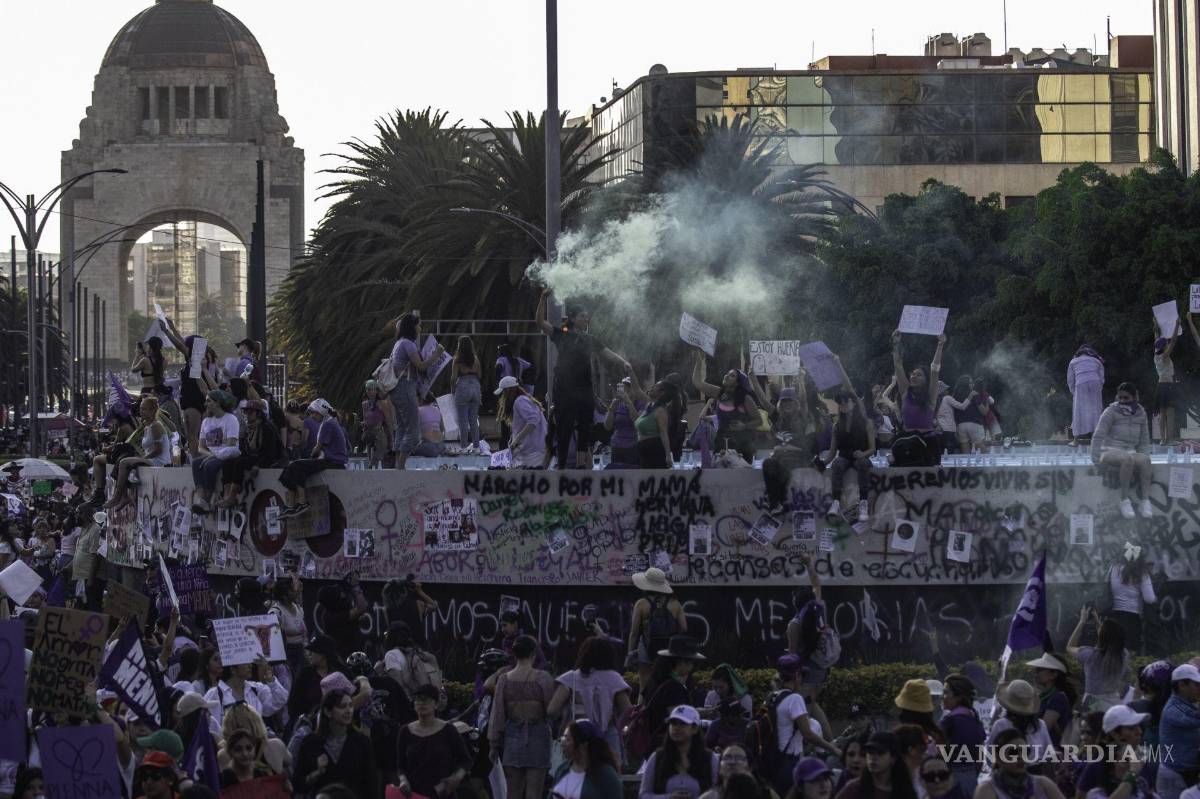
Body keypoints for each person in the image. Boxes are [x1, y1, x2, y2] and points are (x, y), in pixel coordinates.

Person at [535, 293, 631, 468]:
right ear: (572, 318)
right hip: (565, 390)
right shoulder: (561, 334)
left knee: (585, 429)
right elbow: (540, 322)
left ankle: (581, 468)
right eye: (582, 316)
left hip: (585, 389)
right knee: (564, 429)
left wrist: (623, 362)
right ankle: (561, 467)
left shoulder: (589, 339)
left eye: (587, 316)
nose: (586, 319)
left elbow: (606, 352)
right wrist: (542, 299)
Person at [548, 636, 632, 768]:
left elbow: (552, 710)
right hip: (608, 736)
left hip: (577, 736)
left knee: (576, 777)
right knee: (609, 777)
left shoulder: (571, 678)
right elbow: (628, 712)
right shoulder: (615, 679)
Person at [489, 635, 555, 799]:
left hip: (512, 736)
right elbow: (551, 710)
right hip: (538, 734)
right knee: (534, 792)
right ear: (534, 653)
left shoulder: (504, 679)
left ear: (514, 653)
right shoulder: (543, 678)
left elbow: (498, 714)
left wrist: (493, 744)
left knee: (513, 792)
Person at [774, 654, 840, 794]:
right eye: (802, 675)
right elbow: (808, 734)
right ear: (797, 675)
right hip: (790, 764)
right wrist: (833, 748)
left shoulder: (773, 697)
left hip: (775, 763)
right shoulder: (795, 698)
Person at [296, 689, 379, 798]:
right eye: (342, 706)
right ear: (328, 712)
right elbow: (298, 785)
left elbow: (371, 783)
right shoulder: (311, 743)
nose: (348, 710)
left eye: (350, 706)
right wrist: (317, 773)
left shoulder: (361, 742)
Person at [394, 684, 472, 799]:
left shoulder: (448, 730)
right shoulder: (405, 731)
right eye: (418, 700)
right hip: (415, 794)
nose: (421, 703)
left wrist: (456, 777)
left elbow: (466, 760)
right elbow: (401, 766)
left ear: (435, 704)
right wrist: (403, 781)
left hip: (442, 793)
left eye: (426, 699)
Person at [389, 313, 445, 470]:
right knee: (413, 433)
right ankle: (400, 466)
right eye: (419, 325)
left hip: (396, 390)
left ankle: (397, 465)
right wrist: (437, 354)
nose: (421, 328)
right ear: (412, 326)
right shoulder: (408, 344)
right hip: (406, 388)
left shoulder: (399, 343)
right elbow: (421, 366)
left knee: (401, 428)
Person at [786, 556, 834, 739]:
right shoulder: (818, 610)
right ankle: (831, 741)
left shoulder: (794, 624)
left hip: (804, 673)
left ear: (796, 603)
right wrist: (809, 564)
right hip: (821, 669)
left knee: (802, 715)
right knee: (812, 705)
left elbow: (792, 655)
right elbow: (817, 585)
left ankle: (817, 748)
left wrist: (790, 678)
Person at [1090, 383, 1153, 520]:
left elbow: (1144, 439)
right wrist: (1096, 460)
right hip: (1109, 450)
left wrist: (1143, 456)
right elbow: (1098, 435)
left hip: (1130, 451)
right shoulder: (1111, 411)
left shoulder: (1141, 413)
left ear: (1135, 397)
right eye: (1120, 398)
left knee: (1145, 460)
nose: (1123, 401)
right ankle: (1124, 500)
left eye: (1127, 397)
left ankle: (1145, 501)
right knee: (1127, 459)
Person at [278, 399, 349, 518]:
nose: (312, 416)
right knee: (289, 468)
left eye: (314, 413)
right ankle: (290, 505)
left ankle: (302, 502)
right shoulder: (330, 422)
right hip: (332, 460)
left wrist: (309, 459)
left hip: (335, 462)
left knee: (297, 466)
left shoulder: (327, 424)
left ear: (321, 412)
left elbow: (317, 449)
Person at [691, 350, 761, 464]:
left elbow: (759, 421)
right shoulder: (719, 392)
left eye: (732, 376)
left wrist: (744, 426)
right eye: (727, 374)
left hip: (741, 445)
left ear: (738, 383)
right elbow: (697, 382)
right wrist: (698, 362)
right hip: (722, 443)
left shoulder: (745, 398)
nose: (727, 376)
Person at [104, 395, 171, 510]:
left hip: (159, 461)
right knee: (122, 458)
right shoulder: (146, 426)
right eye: (140, 408)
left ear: (152, 410)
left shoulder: (156, 426)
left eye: (144, 409)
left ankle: (117, 496)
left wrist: (144, 458)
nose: (141, 411)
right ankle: (124, 496)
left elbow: (158, 450)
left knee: (125, 462)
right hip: (150, 459)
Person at [891, 331, 947, 466]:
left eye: (919, 375)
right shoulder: (905, 392)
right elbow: (898, 365)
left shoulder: (930, 396)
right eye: (913, 374)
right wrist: (896, 343)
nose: (913, 376)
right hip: (906, 442)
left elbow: (934, 369)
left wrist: (940, 344)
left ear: (926, 380)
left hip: (929, 442)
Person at [639, 705, 719, 799]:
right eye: (673, 723)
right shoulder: (657, 758)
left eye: (682, 723)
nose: (676, 728)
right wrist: (668, 798)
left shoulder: (710, 759)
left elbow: (718, 793)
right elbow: (643, 795)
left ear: (695, 729)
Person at [217, 399, 283, 509]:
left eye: (250, 412)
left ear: (258, 413)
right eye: (246, 412)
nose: (247, 415)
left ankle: (232, 497)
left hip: (267, 458)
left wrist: (258, 465)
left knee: (240, 463)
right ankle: (227, 494)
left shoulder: (267, 427)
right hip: (253, 456)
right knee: (228, 462)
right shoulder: (248, 428)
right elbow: (244, 449)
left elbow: (270, 452)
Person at [824, 387, 875, 523]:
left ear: (853, 402)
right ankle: (836, 501)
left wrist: (863, 453)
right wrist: (821, 464)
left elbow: (873, 448)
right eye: (840, 403)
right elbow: (832, 452)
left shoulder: (866, 422)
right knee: (837, 464)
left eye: (845, 402)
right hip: (844, 457)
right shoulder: (836, 425)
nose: (842, 406)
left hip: (861, 456)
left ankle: (863, 502)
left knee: (863, 463)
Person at [643, 636, 706, 744]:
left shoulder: (655, 681)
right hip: (665, 741)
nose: (691, 667)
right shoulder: (673, 688)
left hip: (651, 738)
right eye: (690, 662)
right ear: (681, 662)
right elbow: (678, 717)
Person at [974, 729, 1066, 799]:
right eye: (1013, 752)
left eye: (1026, 751)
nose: (1021, 757)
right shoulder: (987, 790)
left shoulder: (1042, 784)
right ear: (998, 758)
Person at [190, 389, 241, 514]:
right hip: (211, 456)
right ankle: (201, 498)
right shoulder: (206, 421)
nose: (205, 404)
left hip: (226, 455)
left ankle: (207, 501)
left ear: (218, 403)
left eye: (209, 401)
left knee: (209, 466)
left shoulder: (231, 419)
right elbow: (200, 447)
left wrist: (215, 456)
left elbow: (231, 444)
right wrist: (211, 455)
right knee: (196, 463)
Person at [1067, 612, 1130, 712]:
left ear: (1101, 636)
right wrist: (1097, 623)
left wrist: (1081, 622)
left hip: (1092, 702)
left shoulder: (1091, 655)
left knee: (1092, 725)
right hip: (1113, 703)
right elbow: (1108, 640)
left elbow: (1070, 647)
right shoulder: (1124, 654)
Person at [628, 568, 687, 673]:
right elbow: (684, 628)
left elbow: (634, 632)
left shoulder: (641, 604)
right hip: (668, 649)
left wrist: (630, 653)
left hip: (646, 649)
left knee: (644, 684)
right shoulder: (675, 604)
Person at [203, 657, 288, 728]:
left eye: (249, 662)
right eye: (244, 662)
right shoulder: (215, 694)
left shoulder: (256, 689)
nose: (250, 665)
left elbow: (280, 700)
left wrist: (271, 679)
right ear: (233, 669)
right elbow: (213, 728)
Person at [986, 681, 1054, 771]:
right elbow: (1049, 753)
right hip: (1035, 773)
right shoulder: (1040, 725)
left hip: (1008, 773)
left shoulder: (1000, 725)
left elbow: (990, 754)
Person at [550, 719, 624, 799]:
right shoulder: (562, 770)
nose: (563, 744)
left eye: (568, 739)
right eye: (563, 739)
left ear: (583, 745)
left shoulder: (606, 775)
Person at [1157, 663, 1200, 799]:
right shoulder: (1173, 709)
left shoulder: (1186, 705)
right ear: (1182, 685)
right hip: (1174, 776)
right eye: (1196, 685)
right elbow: (1195, 720)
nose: (1199, 689)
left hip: (1185, 772)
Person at [834, 731, 918, 799]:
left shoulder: (904, 791)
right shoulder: (855, 788)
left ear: (893, 758)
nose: (873, 758)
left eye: (880, 753)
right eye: (870, 752)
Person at [940, 675, 986, 799]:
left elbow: (941, 756)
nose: (942, 697)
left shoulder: (950, 721)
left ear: (959, 696)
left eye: (946, 692)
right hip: (971, 779)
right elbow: (980, 755)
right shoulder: (973, 717)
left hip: (952, 780)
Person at [1106, 547, 1157, 653]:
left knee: (1114, 650)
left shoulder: (1113, 568)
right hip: (1132, 619)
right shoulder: (1141, 573)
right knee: (1130, 652)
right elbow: (1149, 599)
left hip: (1115, 615)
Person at [1023, 654, 1077, 748]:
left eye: (1039, 670)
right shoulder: (1042, 696)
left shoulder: (1058, 698)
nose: (1035, 673)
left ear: (1054, 675)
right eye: (1036, 670)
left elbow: (1042, 730)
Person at [496, 376, 549, 469]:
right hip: (529, 450)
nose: (502, 397)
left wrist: (516, 440)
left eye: (503, 393)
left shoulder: (520, 401)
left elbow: (532, 422)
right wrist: (513, 438)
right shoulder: (522, 400)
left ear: (508, 391)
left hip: (534, 451)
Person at [631, 376, 679, 469]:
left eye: (655, 386)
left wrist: (668, 455)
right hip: (644, 449)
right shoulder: (650, 404)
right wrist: (630, 371)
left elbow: (663, 433)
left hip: (654, 450)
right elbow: (637, 390)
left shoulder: (660, 410)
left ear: (662, 392)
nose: (652, 387)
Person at [606, 375, 647, 467]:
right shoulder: (617, 403)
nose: (626, 392)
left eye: (628, 389)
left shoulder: (641, 405)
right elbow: (607, 426)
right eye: (624, 388)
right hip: (616, 445)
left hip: (633, 446)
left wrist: (629, 403)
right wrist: (611, 409)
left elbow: (637, 423)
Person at [1067, 346, 1105, 445]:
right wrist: (1099, 388)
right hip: (1095, 382)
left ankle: (1075, 440)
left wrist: (1074, 393)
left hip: (1080, 384)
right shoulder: (1096, 361)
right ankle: (1096, 439)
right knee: (1096, 410)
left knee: (1078, 411)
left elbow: (1070, 380)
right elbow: (1101, 377)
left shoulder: (1073, 361)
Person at [1152, 318, 1182, 445]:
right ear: (1164, 347)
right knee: (1170, 413)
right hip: (1168, 385)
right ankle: (1170, 439)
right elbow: (1174, 341)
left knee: (1162, 413)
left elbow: (1156, 337)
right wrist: (1176, 325)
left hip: (1160, 386)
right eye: (1166, 344)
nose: (1167, 344)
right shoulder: (1165, 356)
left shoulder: (1156, 354)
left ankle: (1163, 440)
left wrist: (1155, 325)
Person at [451, 336, 482, 449]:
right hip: (475, 387)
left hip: (463, 387)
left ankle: (464, 447)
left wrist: (453, 391)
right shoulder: (476, 359)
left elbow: (453, 378)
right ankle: (476, 447)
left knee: (463, 421)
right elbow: (479, 375)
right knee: (473, 420)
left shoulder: (457, 360)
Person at [361, 380, 395, 468]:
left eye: (372, 389)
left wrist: (391, 437)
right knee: (370, 456)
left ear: (376, 391)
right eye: (368, 389)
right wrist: (362, 424)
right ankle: (371, 466)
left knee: (377, 455)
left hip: (379, 432)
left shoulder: (382, 403)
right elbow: (366, 420)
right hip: (369, 433)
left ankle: (373, 463)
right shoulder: (365, 404)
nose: (370, 392)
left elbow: (388, 421)